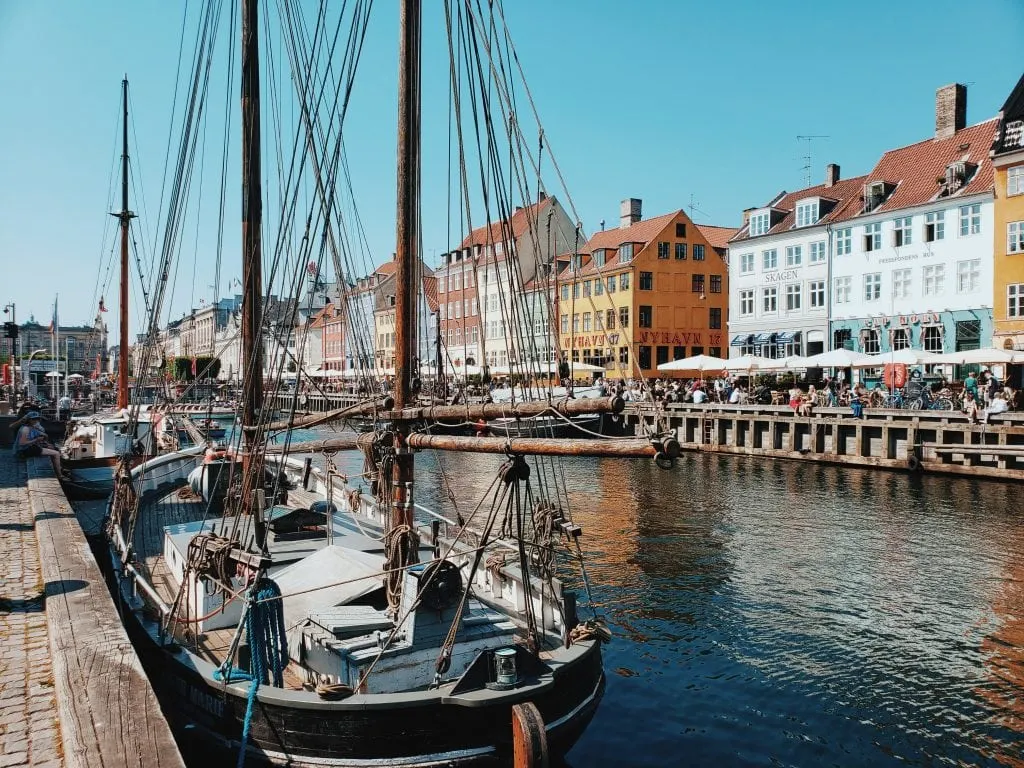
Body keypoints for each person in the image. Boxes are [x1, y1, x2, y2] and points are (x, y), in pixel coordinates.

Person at [14, 412, 65, 477]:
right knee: (56, 453)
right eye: (33, 419)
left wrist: (44, 440)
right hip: (25, 450)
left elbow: (44, 435)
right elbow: (22, 443)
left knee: (53, 448)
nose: (36, 421)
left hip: (29, 448)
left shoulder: (30, 427)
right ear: (29, 420)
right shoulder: (25, 429)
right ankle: (60, 475)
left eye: (37, 419)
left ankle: (58, 468)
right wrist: (36, 440)